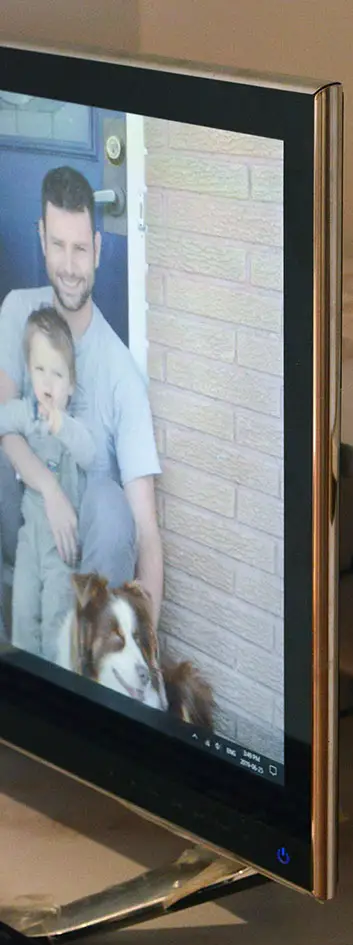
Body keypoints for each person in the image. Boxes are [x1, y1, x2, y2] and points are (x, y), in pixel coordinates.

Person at [0, 165, 162, 642]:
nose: (69, 266)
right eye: (57, 246)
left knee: (113, 505)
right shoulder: (16, 312)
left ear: (98, 248)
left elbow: (146, 530)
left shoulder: (121, 373)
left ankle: (90, 676)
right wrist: (49, 490)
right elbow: (4, 424)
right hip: (23, 527)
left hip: (86, 564)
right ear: (41, 237)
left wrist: (146, 645)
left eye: (79, 249)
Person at [0, 307, 95, 659]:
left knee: (57, 616)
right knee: (23, 612)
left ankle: (55, 688)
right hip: (30, 539)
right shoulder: (24, 411)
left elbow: (90, 453)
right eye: (40, 370)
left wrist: (61, 425)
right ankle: (28, 691)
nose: (47, 382)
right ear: (28, 371)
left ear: (71, 384)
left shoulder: (71, 425)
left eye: (57, 374)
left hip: (62, 546)